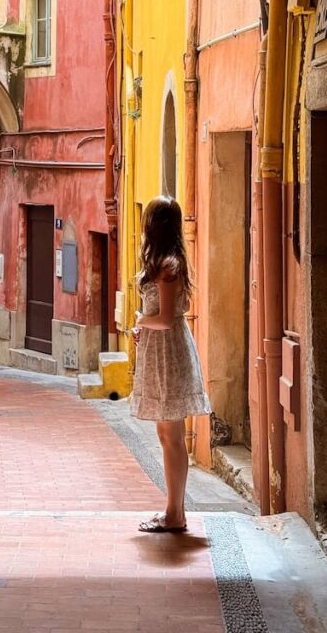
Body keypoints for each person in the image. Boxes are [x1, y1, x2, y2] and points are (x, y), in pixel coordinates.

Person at [130, 195, 211, 533]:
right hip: (161, 351)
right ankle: (173, 511)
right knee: (167, 433)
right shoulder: (165, 260)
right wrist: (141, 326)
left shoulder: (169, 265)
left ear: (154, 225)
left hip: (168, 353)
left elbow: (163, 319)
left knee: (172, 435)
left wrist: (139, 321)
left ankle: (175, 514)